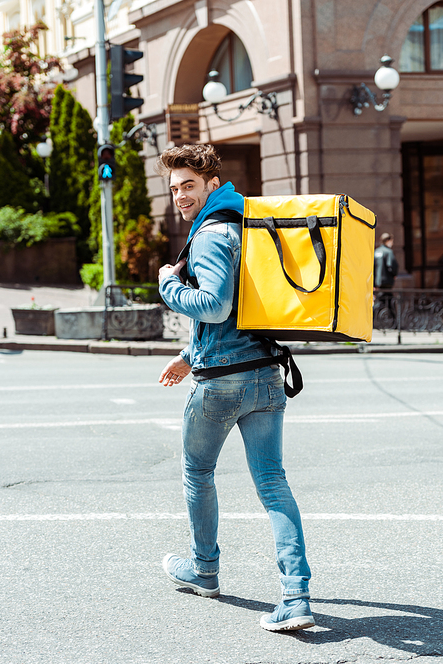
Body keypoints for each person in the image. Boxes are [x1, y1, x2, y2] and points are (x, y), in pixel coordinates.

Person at [156, 144, 314, 632]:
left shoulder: (210, 233)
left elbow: (216, 305)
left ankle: (204, 569)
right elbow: (246, 308)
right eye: (175, 187)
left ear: (208, 183)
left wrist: (167, 285)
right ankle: (296, 595)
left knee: (197, 473)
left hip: (223, 383)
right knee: (273, 484)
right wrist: (187, 355)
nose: (180, 195)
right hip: (265, 371)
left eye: (188, 185)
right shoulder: (245, 223)